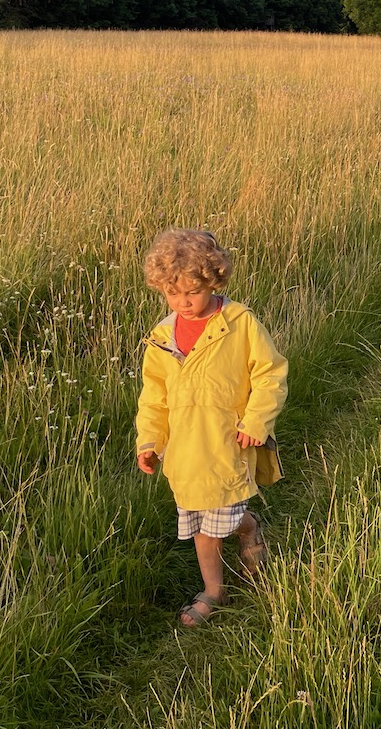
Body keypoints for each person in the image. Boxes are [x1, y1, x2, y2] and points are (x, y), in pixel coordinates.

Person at [135, 228, 287, 628]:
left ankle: (247, 526)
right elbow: (154, 396)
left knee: (223, 516)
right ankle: (214, 589)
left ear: (214, 281)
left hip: (226, 446)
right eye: (172, 293)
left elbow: (271, 374)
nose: (182, 303)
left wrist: (256, 421)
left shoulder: (238, 323)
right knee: (203, 525)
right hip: (184, 455)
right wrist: (148, 440)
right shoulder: (162, 337)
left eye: (192, 292)